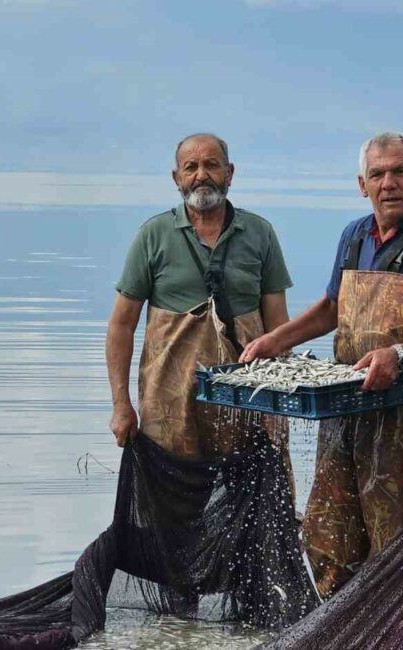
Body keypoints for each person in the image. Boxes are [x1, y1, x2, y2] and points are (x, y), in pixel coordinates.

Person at [240, 131, 403, 598]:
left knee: (401, 540)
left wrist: (401, 354)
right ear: (362, 184)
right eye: (377, 174)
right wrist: (276, 340)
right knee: (330, 533)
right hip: (347, 413)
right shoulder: (353, 236)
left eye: (399, 171)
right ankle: (343, 624)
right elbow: (332, 309)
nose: (388, 182)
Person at [106, 132, 292, 459]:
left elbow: (279, 326)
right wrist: (122, 405)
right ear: (177, 179)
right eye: (190, 167)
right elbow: (121, 326)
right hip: (168, 405)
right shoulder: (153, 235)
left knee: (252, 493)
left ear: (230, 173)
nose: (201, 175)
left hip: (248, 399)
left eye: (211, 165)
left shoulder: (259, 232)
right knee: (170, 502)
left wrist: (278, 404)